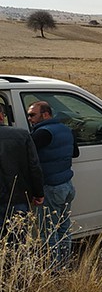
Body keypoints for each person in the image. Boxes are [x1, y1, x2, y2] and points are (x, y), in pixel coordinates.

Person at [27, 101, 79, 268]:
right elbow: (75, 152)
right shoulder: (66, 129)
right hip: (67, 186)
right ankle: (64, 264)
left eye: (32, 115)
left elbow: (28, 157)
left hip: (51, 189)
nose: (29, 118)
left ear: (46, 114)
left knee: (48, 233)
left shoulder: (42, 133)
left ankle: (53, 269)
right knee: (64, 228)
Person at [0, 104, 44, 239]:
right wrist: (38, 193)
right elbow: (34, 167)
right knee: (17, 243)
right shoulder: (21, 135)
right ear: (1, 116)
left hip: (14, 197)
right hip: (17, 197)